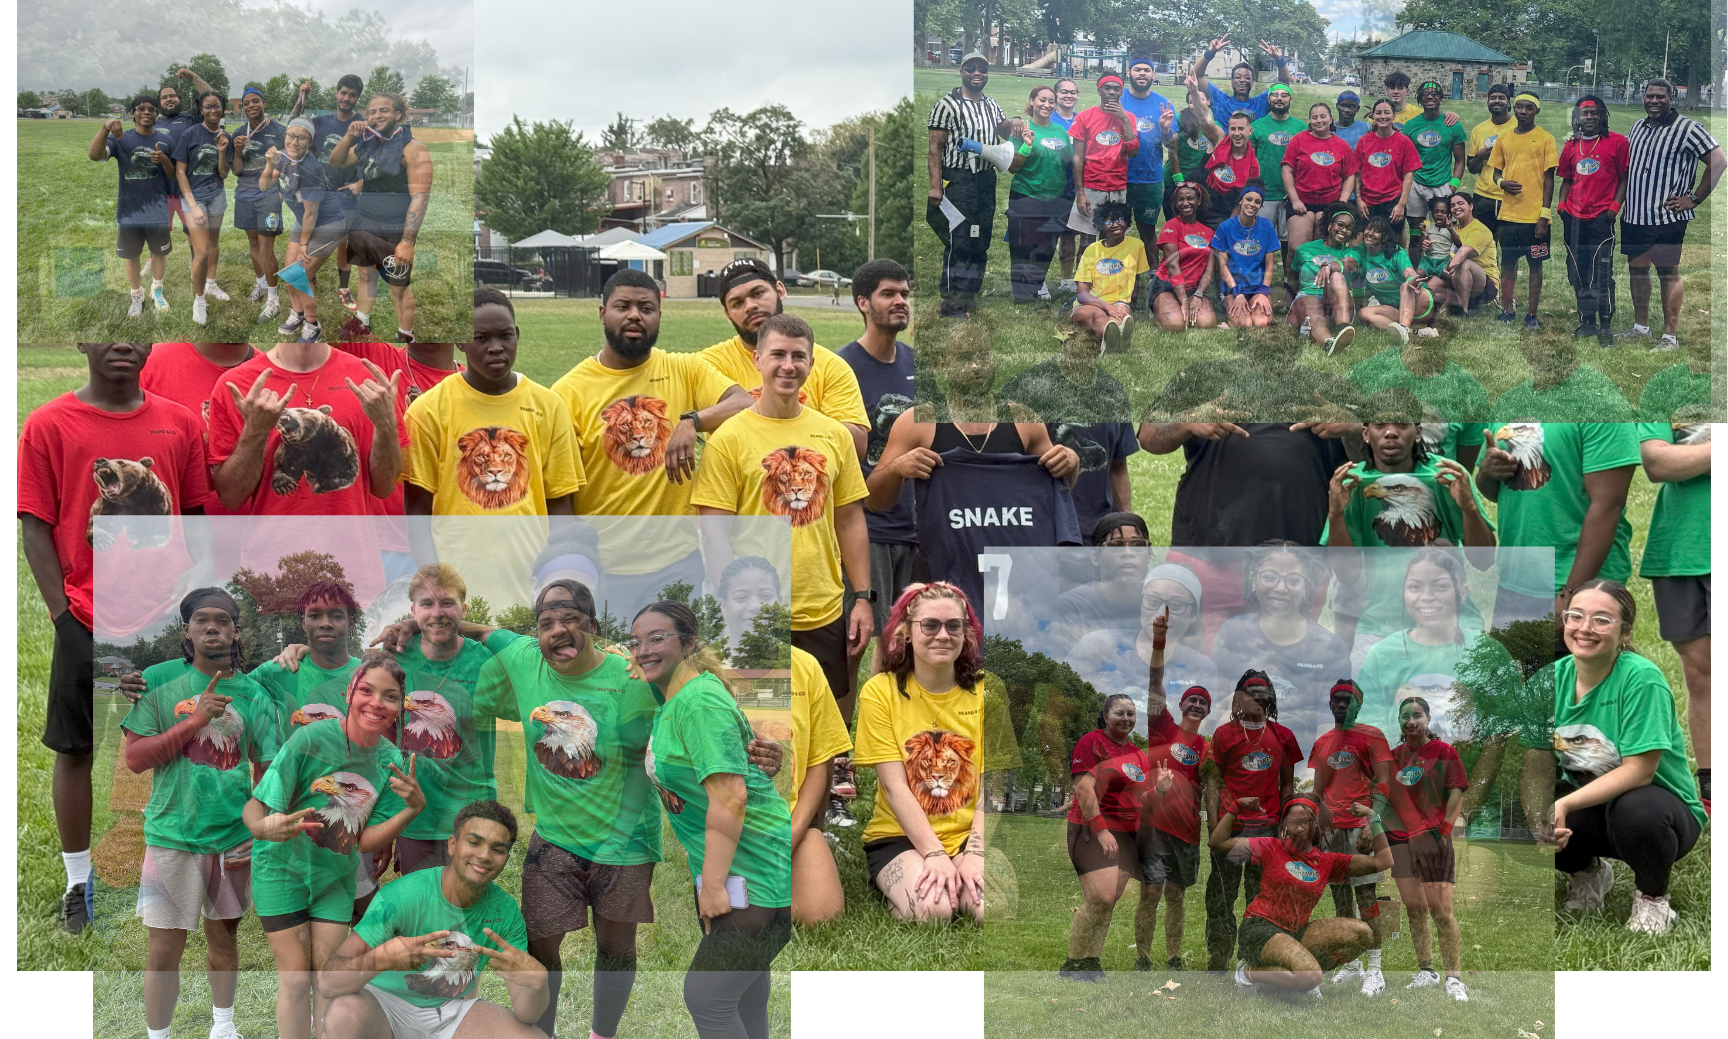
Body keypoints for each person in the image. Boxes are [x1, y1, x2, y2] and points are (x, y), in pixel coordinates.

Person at [458, 580, 775, 1039]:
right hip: (554, 838)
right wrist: (416, 624)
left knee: (616, 948)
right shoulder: (525, 655)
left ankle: (601, 1034)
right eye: (546, 624)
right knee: (539, 946)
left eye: (570, 620)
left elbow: (709, 717)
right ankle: (541, 1034)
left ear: (594, 626)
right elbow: (487, 632)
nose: (557, 631)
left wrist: (760, 753)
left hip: (627, 843)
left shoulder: (637, 679)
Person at [19, 342, 212, 935]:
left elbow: (199, 515)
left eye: (134, 333)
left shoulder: (178, 422)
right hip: (86, 615)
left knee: (180, 741)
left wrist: (193, 597)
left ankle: (176, 869)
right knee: (77, 748)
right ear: (80, 341)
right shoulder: (49, 424)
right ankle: (79, 880)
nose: (123, 344)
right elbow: (36, 524)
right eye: (104, 333)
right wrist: (62, 617)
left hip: (164, 615)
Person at [691, 313, 875, 721]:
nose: (788, 366)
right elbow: (715, 532)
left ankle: (831, 778)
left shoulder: (834, 434)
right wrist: (730, 602)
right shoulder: (729, 439)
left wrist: (862, 597)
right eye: (777, 354)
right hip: (756, 608)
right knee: (765, 724)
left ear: (811, 363)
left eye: (798, 356)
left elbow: (849, 519)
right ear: (757, 359)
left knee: (823, 720)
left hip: (821, 604)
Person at [628, 602, 794, 1039]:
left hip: (752, 874)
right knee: (743, 994)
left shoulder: (698, 701)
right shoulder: (674, 696)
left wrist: (716, 885)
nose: (643, 649)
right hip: (740, 871)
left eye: (657, 638)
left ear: (689, 642)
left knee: (708, 997)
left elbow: (731, 798)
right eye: (636, 642)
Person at [245, 652, 425, 1039]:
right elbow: (254, 805)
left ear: (399, 706)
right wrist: (262, 828)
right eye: (367, 690)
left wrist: (411, 810)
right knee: (295, 981)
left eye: (390, 696)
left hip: (334, 880)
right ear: (349, 692)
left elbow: (363, 841)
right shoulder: (310, 738)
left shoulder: (392, 761)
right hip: (281, 872)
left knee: (328, 981)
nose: (376, 702)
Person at [122, 590, 275, 1039]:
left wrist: (261, 833)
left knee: (224, 939)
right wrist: (193, 721)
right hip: (172, 836)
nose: (213, 627)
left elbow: (268, 773)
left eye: (223, 621)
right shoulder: (157, 680)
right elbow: (135, 759)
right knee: (164, 950)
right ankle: (159, 1035)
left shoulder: (253, 694)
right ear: (185, 630)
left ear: (235, 632)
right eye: (202, 620)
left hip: (233, 839)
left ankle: (223, 1027)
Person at [1534, 581, 1707, 934]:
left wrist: (1563, 807)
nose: (1584, 628)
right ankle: (1587, 873)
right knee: (1520, 810)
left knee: (1637, 809)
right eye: (1576, 616)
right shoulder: (1549, 680)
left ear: (1624, 633)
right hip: (1591, 809)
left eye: (1601, 620)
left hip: (1662, 813)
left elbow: (1639, 772)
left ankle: (1652, 899)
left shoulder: (1642, 680)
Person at [317, 799, 546, 1039]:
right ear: (452, 845)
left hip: (450, 1012)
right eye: (474, 842)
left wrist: (537, 983)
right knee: (344, 1015)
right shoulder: (402, 896)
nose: (484, 855)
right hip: (382, 1004)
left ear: (507, 858)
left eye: (497, 849)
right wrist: (383, 958)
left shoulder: (506, 913)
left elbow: (526, 1013)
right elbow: (328, 983)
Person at [405, 335, 584, 611]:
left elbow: (560, 504)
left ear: (518, 334)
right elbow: (417, 513)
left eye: (505, 335)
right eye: (481, 338)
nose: (496, 346)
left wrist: (561, 579)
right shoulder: (428, 410)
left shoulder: (549, 406)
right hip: (457, 583)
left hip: (532, 582)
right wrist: (434, 585)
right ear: (461, 342)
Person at [853, 583, 989, 923]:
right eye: (930, 625)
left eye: (953, 625)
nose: (942, 635)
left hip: (966, 833)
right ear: (907, 632)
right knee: (935, 910)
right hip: (898, 835)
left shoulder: (988, 691)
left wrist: (975, 851)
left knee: (989, 910)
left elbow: (992, 782)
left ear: (966, 632)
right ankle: (893, 880)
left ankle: (954, 875)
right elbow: (895, 787)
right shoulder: (879, 692)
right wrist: (933, 853)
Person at [1324, 424, 1495, 663]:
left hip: (1453, 623)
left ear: (1417, 432)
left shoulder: (1445, 477)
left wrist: (1470, 508)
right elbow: (1346, 574)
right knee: (1367, 698)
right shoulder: (1354, 482)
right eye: (1380, 425)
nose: (1391, 432)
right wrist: (1336, 515)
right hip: (1379, 624)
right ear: (1365, 433)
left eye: (1402, 425)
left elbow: (1484, 560)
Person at [1211, 794, 1392, 995]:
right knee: (1310, 977)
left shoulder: (1326, 861)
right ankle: (1247, 973)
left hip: (1297, 932)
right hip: (1260, 929)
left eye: (1305, 821)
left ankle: (1291, 976)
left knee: (1362, 934)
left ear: (1316, 824)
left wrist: (1374, 819)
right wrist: (1234, 808)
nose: (1299, 827)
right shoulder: (1270, 847)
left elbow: (1383, 861)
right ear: (1285, 825)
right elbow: (1217, 843)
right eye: (1293, 821)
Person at [205, 343, 406, 515]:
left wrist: (386, 425)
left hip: (352, 549)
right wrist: (255, 431)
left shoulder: (366, 379)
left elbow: (384, 487)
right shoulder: (238, 385)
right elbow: (231, 498)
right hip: (271, 552)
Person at [837, 258, 917, 686]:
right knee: (857, 638)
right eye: (889, 294)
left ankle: (889, 727)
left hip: (918, 521)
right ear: (863, 303)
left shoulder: (920, 366)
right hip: (867, 526)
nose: (900, 301)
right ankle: (839, 742)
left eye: (904, 293)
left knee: (906, 641)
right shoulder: (840, 368)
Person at [1474, 422, 1639, 630]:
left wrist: (1571, 596)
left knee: (1577, 663)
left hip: (1581, 583)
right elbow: (1497, 492)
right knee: (1520, 663)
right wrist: (1489, 471)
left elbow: (1608, 507)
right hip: (1515, 578)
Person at [698, 258, 870, 457]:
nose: (750, 306)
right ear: (727, 314)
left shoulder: (830, 366)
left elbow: (856, 445)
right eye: (737, 303)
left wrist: (789, 420)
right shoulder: (710, 364)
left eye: (758, 293)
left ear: (780, 290)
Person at [1202, 673, 1301, 972]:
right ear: (1239, 697)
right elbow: (1213, 781)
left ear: (1271, 697)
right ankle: (1218, 959)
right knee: (1220, 897)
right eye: (1251, 691)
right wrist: (1213, 825)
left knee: (1260, 899)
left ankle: (1251, 959)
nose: (1257, 696)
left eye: (1263, 691)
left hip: (1267, 829)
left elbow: (1287, 785)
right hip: (1230, 827)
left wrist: (1284, 822)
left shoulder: (1284, 735)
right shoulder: (1223, 734)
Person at [1635, 422, 1711, 812]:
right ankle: (1712, 788)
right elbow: (1658, 463)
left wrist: (1694, 454)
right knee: (1700, 674)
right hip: (1681, 546)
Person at [1617, 78, 1725, 350]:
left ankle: (1669, 336)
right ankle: (1641, 327)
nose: (1654, 101)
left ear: (1672, 98)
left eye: (1660, 97)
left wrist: (1695, 198)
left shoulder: (1688, 128)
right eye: (1649, 96)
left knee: (1668, 272)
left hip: (1667, 217)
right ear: (1643, 97)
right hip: (1635, 214)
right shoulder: (1637, 127)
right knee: (1637, 270)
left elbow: (1719, 161)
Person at [1210, 544, 1351, 752]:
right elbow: (1217, 707)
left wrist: (1309, 775)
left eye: (1293, 580)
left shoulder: (1330, 647)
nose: (1280, 588)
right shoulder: (1233, 633)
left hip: (1300, 758)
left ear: (1306, 587)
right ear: (1253, 581)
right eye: (1269, 577)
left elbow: (1330, 725)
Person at [1307, 680, 1394, 996]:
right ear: (1330, 705)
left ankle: (1375, 969)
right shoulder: (1322, 743)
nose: (1341, 704)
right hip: (1331, 833)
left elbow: (1384, 785)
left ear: (1358, 705)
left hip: (1361, 829)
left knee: (1366, 898)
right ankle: (1351, 964)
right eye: (1337, 700)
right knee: (1340, 898)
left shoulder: (1372, 736)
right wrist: (1314, 826)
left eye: (1348, 700)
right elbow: (1318, 792)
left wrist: (1374, 824)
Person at [328, 92, 434, 343]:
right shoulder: (367, 142)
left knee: (398, 286)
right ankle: (361, 321)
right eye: (372, 112)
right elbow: (335, 161)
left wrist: (407, 241)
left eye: (384, 110)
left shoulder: (413, 149)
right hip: (364, 221)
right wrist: (349, 136)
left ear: (398, 115)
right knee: (365, 274)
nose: (377, 116)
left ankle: (405, 335)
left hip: (394, 228)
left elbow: (420, 197)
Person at [1059, 694, 1152, 981]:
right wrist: (1101, 830)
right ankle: (1072, 963)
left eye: (1131, 714)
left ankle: (1091, 961)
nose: (1126, 719)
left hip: (1128, 834)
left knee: (1110, 900)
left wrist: (1160, 791)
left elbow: (1141, 797)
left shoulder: (1138, 755)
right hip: (1091, 828)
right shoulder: (1091, 742)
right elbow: (1084, 790)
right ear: (1106, 715)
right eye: (1119, 713)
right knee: (1099, 896)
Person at [1383, 695, 1470, 999]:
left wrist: (1443, 834)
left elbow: (1456, 793)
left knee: (1441, 910)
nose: (1411, 721)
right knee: (1414, 909)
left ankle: (1454, 979)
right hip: (1401, 843)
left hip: (1433, 840)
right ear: (1399, 722)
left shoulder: (1444, 752)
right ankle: (1426, 971)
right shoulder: (1392, 758)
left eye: (1417, 715)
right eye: (1405, 716)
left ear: (1428, 719)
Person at [1064, 562, 1223, 728]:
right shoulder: (1098, 646)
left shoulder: (1202, 669)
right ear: (1140, 602)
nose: (1162, 613)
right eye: (1153, 601)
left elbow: (1196, 737)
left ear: (1194, 614)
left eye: (1176, 605)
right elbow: (1059, 708)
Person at [927, 51, 1014, 315]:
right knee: (959, 237)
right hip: (959, 179)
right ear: (962, 71)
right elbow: (935, 148)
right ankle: (952, 300)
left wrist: (1018, 121)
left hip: (986, 179)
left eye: (982, 69)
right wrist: (936, 186)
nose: (977, 73)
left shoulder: (991, 105)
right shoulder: (947, 104)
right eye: (971, 68)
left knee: (981, 236)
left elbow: (1003, 131)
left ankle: (970, 294)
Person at [1136, 684, 1214, 970]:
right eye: (1191, 700)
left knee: (1175, 896)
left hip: (1189, 833)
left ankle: (1173, 957)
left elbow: (1214, 785)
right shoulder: (1164, 729)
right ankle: (1143, 957)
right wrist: (1158, 642)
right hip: (1155, 829)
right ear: (1180, 705)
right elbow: (1155, 685)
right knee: (1150, 893)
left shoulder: (1207, 749)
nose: (1197, 704)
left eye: (1203, 702)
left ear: (1208, 711)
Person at [262, 118, 348, 341]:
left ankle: (313, 326)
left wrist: (303, 245)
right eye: (291, 135)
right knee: (288, 273)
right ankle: (298, 314)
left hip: (328, 223)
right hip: (306, 220)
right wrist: (270, 164)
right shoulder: (282, 157)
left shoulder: (311, 168)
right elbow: (264, 185)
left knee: (299, 275)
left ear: (310, 142)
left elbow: (312, 213)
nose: (294, 141)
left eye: (302, 137)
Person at [90, 95, 176, 316]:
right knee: (131, 255)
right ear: (132, 114)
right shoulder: (121, 139)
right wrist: (104, 129)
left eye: (151, 109)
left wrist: (164, 160)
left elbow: (174, 175)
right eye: (141, 108)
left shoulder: (166, 140)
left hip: (157, 210)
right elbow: (95, 156)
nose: (146, 112)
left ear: (156, 114)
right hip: (130, 211)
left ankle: (157, 289)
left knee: (159, 253)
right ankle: (136, 294)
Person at [1554, 96, 1630, 343]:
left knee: (1602, 274)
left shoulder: (1617, 142)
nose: (1589, 117)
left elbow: (1623, 179)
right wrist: (1562, 207)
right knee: (1578, 273)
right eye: (1584, 113)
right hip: (1573, 218)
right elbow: (1566, 180)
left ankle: (1605, 325)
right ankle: (1587, 322)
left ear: (1602, 116)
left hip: (1601, 218)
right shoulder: (1571, 146)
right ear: (1576, 118)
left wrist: (1612, 211)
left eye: (1594, 113)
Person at [293, 73, 368, 314]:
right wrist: (301, 96)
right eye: (343, 92)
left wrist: (362, 182)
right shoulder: (321, 121)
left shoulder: (363, 125)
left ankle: (343, 288)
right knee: (310, 235)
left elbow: (383, 157)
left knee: (343, 245)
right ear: (336, 93)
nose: (347, 98)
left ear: (357, 98)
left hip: (346, 195)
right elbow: (294, 123)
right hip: (318, 194)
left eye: (352, 95)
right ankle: (309, 277)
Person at [1485, 93, 1557, 329]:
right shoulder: (1504, 138)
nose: (1523, 111)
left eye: (1529, 108)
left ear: (1537, 111)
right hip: (1508, 215)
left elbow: (1549, 180)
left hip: (1534, 217)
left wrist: (1544, 215)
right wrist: (1501, 183)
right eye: (1519, 107)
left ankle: (1532, 314)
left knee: (1535, 264)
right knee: (1508, 262)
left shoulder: (1546, 139)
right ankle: (1508, 308)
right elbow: (1496, 172)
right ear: (1513, 108)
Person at [1003, 85, 1072, 302]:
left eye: (1051, 101)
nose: (1047, 105)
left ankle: (1035, 289)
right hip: (1026, 196)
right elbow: (1013, 167)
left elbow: (1069, 162)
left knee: (1046, 247)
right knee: (1023, 246)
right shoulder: (1021, 129)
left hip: (1055, 199)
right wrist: (1026, 145)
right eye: (1042, 100)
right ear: (1032, 101)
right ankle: (1022, 296)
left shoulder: (1060, 132)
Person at [225, 86, 288, 322]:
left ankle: (274, 300)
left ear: (264, 103)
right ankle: (260, 283)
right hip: (244, 196)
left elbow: (290, 163)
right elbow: (237, 171)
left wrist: (281, 192)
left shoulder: (280, 131)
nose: (251, 106)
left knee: (266, 247)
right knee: (253, 242)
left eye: (255, 101)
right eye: (246, 103)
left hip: (268, 197)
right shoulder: (238, 133)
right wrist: (238, 151)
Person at [171, 90, 234, 323]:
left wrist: (221, 152)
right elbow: (180, 171)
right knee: (202, 252)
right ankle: (199, 300)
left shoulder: (224, 136)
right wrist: (193, 206)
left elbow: (224, 173)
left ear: (222, 109)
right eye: (207, 107)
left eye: (216, 106)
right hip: (194, 198)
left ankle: (211, 284)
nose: (213, 110)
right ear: (201, 110)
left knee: (214, 244)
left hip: (216, 195)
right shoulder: (190, 134)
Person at [1050, 513, 1151, 650]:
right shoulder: (1070, 607)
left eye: (1138, 545)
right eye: (1116, 545)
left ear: (1149, 555)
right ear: (1095, 558)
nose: (1128, 553)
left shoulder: (1161, 604)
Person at [1282, 102, 1359, 275]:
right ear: (1310, 120)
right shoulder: (1299, 140)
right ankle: (1291, 283)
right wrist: (1294, 199)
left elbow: (1349, 176)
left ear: (1331, 119)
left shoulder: (1341, 145)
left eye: (1323, 116)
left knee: (1321, 251)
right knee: (1297, 249)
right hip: (1302, 202)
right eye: (1314, 117)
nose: (1319, 120)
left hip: (1329, 204)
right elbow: (1287, 170)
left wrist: (1342, 202)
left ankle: (1318, 285)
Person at [1066, 74, 1147, 238]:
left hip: (1117, 187)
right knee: (1086, 241)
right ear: (1099, 90)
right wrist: (1081, 194)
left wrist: (1123, 118)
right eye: (1107, 88)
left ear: (1121, 92)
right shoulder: (1085, 117)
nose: (1111, 92)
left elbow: (1132, 152)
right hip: (1091, 187)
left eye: (1116, 88)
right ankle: (1084, 266)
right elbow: (1077, 158)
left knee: (1112, 239)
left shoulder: (1129, 118)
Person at [1399, 82, 1469, 248]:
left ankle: (1444, 273)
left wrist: (1453, 185)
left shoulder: (1452, 124)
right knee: (1416, 234)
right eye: (1425, 94)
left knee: (1444, 233)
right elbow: (1404, 160)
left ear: (1441, 98)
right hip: (1416, 184)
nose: (1430, 96)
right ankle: (1417, 273)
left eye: (1434, 93)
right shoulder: (1410, 126)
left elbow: (1460, 160)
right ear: (1419, 99)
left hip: (1442, 185)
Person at [1068, 201, 1147, 348]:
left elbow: (1137, 281)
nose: (1116, 225)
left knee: (1120, 319)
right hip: (1091, 302)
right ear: (1101, 226)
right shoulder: (1091, 250)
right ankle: (1112, 340)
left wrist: (1132, 307)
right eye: (1109, 221)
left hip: (1120, 302)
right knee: (1098, 317)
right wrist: (1107, 307)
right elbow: (1082, 294)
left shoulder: (1137, 246)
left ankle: (1110, 341)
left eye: (1119, 219)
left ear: (1127, 222)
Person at [1248, 83, 1301, 297]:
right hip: (1265, 195)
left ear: (1290, 99)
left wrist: (1296, 190)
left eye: (1284, 95)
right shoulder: (1257, 126)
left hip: (1290, 196)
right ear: (1269, 100)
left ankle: (1289, 282)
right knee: (1259, 241)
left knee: (1289, 243)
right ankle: (1259, 283)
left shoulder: (1300, 127)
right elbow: (1249, 161)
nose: (1279, 98)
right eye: (1275, 95)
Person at [1287, 204, 1360, 357]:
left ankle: (1343, 329)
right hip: (1309, 297)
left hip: (1338, 306)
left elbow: (1350, 263)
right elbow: (1292, 277)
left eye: (1348, 228)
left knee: (1336, 277)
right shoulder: (1305, 249)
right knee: (1311, 305)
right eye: (1340, 225)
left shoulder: (1351, 252)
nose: (1344, 230)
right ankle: (1329, 343)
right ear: (1330, 226)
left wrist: (1330, 266)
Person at [1121, 55, 1178, 245]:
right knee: (1114, 229)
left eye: (1146, 70)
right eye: (1138, 69)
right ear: (1129, 72)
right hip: (1118, 176)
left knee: (1148, 231)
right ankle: (1118, 272)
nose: (1142, 73)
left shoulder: (1163, 104)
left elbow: (1172, 145)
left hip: (1150, 178)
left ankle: (1153, 272)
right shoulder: (1118, 100)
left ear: (1153, 74)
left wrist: (1165, 129)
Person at [1354, 99, 1421, 250]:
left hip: (1392, 201)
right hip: (1368, 201)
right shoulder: (1364, 141)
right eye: (1378, 113)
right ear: (1373, 115)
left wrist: (1401, 205)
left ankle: (1395, 272)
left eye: (1386, 112)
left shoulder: (1404, 142)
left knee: (1391, 245)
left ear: (1394, 115)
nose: (1382, 116)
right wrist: (1359, 200)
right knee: (1366, 243)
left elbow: (1408, 176)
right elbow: (1357, 174)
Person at [1351, 215, 1431, 342]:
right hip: (1396, 308)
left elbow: (1408, 271)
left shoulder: (1396, 252)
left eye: (1376, 231)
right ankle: (1415, 333)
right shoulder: (1358, 252)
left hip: (1418, 301)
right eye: (1369, 229)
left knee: (1405, 285)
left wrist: (1411, 279)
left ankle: (1404, 328)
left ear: (1385, 237)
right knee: (1364, 313)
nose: (1370, 233)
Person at [1210, 182, 1279, 328]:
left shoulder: (1267, 226)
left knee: (1262, 323)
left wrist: (1264, 292)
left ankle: (1254, 303)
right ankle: (1229, 312)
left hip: (1257, 286)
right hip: (1233, 287)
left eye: (1257, 202)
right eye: (1248, 199)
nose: (1252, 204)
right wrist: (1237, 292)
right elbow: (1222, 266)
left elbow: (1270, 264)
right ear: (1241, 201)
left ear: (1261, 206)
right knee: (1244, 324)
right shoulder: (1225, 227)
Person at [1152, 181, 1219, 328]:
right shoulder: (1171, 226)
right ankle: (1158, 313)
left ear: (1198, 201)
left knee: (1207, 324)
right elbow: (1172, 265)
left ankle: (1176, 307)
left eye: (1190, 198)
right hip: (1166, 285)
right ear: (1176, 204)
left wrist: (1198, 295)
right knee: (1176, 325)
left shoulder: (1209, 233)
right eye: (1180, 200)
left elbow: (1209, 271)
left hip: (1193, 289)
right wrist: (1183, 301)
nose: (1185, 203)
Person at [1426, 193, 1498, 319]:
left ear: (1470, 206)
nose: (1456, 207)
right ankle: (1451, 303)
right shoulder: (1453, 229)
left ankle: (1463, 310)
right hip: (1456, 279)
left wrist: (1447, 269)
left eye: (1461, 203)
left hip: (1484, 286)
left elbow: (1462, 253)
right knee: (1431, 284)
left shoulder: (1479, 230)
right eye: (1453, 205)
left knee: (1463, 264)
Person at [1192, 36, 1292, 126]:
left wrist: (1279, 59)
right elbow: (1196, 75)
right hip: (1224, 145)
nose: (1242, 80)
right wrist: (1210, 53)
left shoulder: (1260, 103)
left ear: (1253, 83)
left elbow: (1284, 84)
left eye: (1247, 78)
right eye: (1238, 77)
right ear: (1231, 81)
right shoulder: (1220, 100)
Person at [1162, 79, 1219, 225]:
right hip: (1174, 180)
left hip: (1200, 182)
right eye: (1191, 101)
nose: (1195, 105)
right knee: (1175, 224)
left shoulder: (1216, 126)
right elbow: (1172, 153)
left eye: (1200, 99)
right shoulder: (1180, 120)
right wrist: (1179, 183)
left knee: (1196, 224)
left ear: (1209, 102)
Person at [1199, 110, 1261, 230]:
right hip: (1200, 201)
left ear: (1250, 131)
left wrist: (1229, 226)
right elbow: (1203, 117)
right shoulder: (1220, 141)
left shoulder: (1253, 166)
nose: (1236, 133)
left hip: (1222, 211)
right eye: (1233, 129)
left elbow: (1241, 199)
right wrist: (1194, 93)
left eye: (1241, 129)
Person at [1051, 78, 1086, 290]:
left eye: (1073, 92)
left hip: (1081, 185)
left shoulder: (1082, 119)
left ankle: (1081, 278)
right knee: (1065, 235)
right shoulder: (1049, 118)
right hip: (1057, 185)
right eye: (1064, 92)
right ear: (1055, 94)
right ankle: (1065, 280)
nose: (1069, 96)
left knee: (1084, 234)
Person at [1465, 84, 1514, 234]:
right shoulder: (1479, 130)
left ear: (1509, 102)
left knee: (1508, 248)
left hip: (1510, 195)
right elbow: (1472, 168)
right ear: (1487, 102)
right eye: (1492, 98)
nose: (1496, 101)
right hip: (1483, 196)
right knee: (1483, 246)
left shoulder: (1519, 127)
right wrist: (1480, 156)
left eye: (1501, 98)